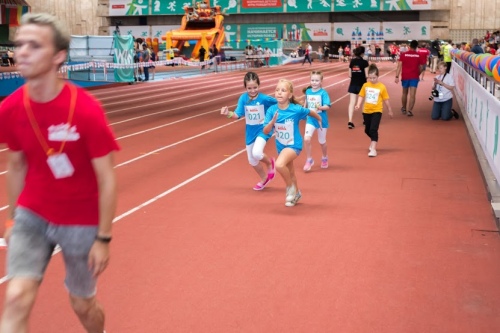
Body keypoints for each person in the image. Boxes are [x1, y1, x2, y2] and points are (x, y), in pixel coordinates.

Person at [0, 13, 119, 333]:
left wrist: (103, 238)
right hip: (32, 214)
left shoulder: (85, 110)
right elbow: (16, 164)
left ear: (58, 57)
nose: (22, 51)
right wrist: (12, 219)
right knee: (16, 298)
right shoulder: (10, 109)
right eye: (19, 44)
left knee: (82, 305)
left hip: (80, 220)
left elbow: (107, 177)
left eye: (34, 45)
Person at [263, 79, 322, 207]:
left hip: (294, 145)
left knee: (279, 164)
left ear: (289, 95)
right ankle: (296, 193)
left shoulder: (295, 109)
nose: (279, 93)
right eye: (277, 90)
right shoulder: (272, 110)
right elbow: (265, 130)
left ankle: (290, 188)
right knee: (290, 172)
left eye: (283, 90)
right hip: (281, 146)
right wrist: (271, 123)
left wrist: (319, 118)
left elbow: (309, 111)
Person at [220, 72, 277, 191]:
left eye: (255, 87)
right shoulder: (243, 98)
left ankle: (270, 163)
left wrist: (273, 118)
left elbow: (280, 103)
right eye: (249, 88)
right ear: (245, 87)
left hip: (263, 130)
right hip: (250, 132)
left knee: (257, 153)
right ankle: (264, 178)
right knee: (252, 160)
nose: (252, 90)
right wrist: (228, 114)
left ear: (259, 86)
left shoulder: (264, 98)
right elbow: (238, 114)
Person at [355, 64, 394, 157]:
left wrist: (390, 110)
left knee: (373, 129)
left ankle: (373, 148)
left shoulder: (382, 87)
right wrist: (358, 104)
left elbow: (386, 99)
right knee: (367, 130)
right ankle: (373, 139)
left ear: (378, 76)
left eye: (374, 78)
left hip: (377, 110)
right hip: (366, 111)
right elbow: (361, 96)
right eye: (370, 78)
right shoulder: (365, 85)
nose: (372, 80)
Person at [302, 70, 331, 172]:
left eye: (316, 80)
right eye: (312, 80)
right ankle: (309, 159)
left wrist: (321, 107)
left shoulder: (323, 93)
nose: (314, 82)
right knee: (306, 139)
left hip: (321, 120)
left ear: (321, 81)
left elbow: (328, 106)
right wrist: (303, 109)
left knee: (322, 142)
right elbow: (306, 102)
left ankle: (324, 157)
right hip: (310, 119)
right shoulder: (308, 91)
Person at [395, 40, 425, 117]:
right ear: (416, 47)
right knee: (412, 95)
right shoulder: (419, 55)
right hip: (414, 77)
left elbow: (399, 66)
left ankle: (404, 108)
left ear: (410, 46)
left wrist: (397, 76)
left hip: (405, 76)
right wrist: (418, 73)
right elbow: (421, 67)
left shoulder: (404, 55)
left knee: (404, 93)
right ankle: (410, 111)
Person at [347, 46, 369, 129]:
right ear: (362, 53)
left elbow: (349, 75)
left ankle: (350, 121)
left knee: (352, 103)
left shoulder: (352, 62)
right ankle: (365, 120)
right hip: (362, 85)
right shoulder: (365, 62)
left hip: (353, 84)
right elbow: (367, 75)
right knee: (364, 102)